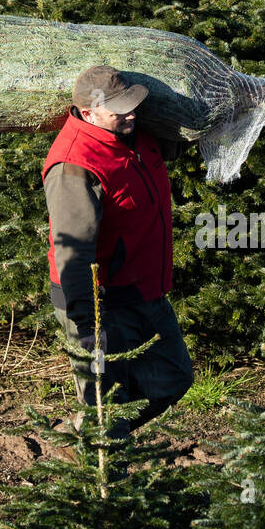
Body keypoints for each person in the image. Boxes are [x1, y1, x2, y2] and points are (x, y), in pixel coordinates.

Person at [41, 64, 194, 440]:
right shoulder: (74, 165)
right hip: (100, 302)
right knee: (109, 408)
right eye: (120, 108)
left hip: (146, 292)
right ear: (88, 113)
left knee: (175, 377)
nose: (131, 113)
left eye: (132, 104)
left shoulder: (137, 137)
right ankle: (100, 474)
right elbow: (72, 250)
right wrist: (87, 322)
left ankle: (84, 431)